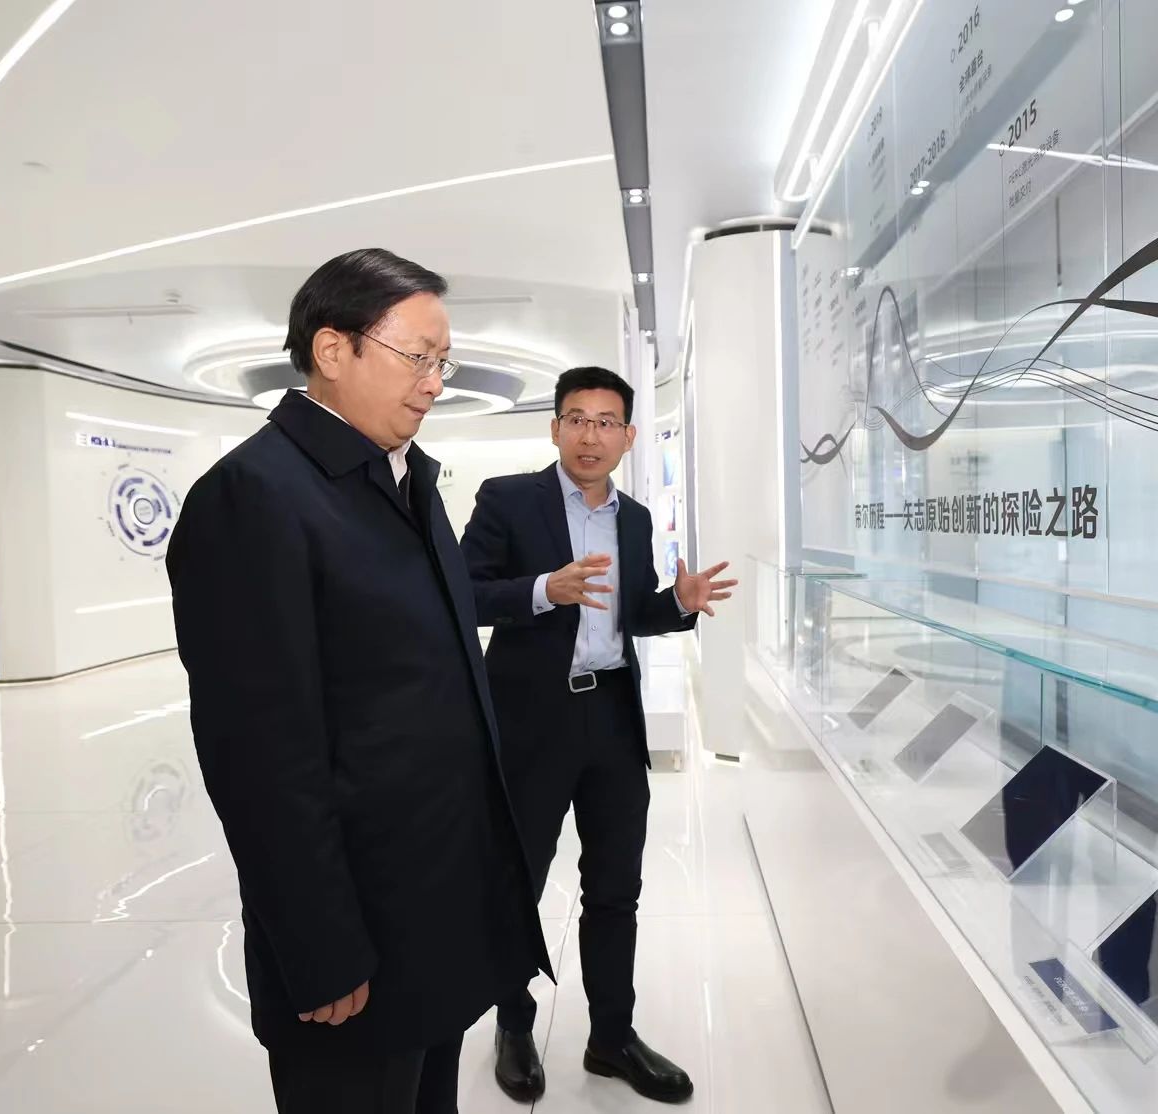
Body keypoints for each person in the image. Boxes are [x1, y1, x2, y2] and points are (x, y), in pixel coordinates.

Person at [167, 248, 551, 1114]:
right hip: (356, 939)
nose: (435, 383)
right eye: (417, 357)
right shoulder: (253, 498)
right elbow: (259, 759)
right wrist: (319, 945)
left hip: (438, 911)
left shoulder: (406, 481)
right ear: (332, 350)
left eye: (443, 362)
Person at [461, 366, 737, 1105]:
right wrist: (540, 590)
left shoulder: (635, 519)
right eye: (577, 419)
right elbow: (462, 592)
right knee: (518, 881)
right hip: (532, 721)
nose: (591, 435)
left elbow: (630, 614)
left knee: (616, 887)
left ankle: (611, 1036)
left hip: (611, 718)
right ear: (555, 428)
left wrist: (677, 604)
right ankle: (513, 1025)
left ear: (628, 436)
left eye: (606, 422)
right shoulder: (508, 499)